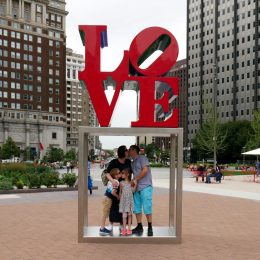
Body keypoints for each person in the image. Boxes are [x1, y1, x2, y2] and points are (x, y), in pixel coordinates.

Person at [105, 145, 132, 231]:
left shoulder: (128, 161)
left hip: (125, 188)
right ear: (123, 152)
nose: (128, 151)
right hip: (115, 187)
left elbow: (132, 173)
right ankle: (111, 224)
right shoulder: (113, 162)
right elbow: (107, 173)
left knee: (124, 206)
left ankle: (122, 224)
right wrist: (112, 180)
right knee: (113, 205)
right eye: (126, 150)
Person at [129, 144, 153, 237]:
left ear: (134, 150)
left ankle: (150, 227)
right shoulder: (132, 162)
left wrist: (136, 179)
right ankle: (139, 226)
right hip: (136, 188)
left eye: (130, 149)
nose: (129, 151)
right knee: (137, 208)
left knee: (147, 207)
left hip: (145, 186)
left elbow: (145, 170)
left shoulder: (142, 158)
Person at [99, 168, 120, 236]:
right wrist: (118, 196)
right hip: (108, 199)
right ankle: (102, 229)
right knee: (105, 214)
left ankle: (102, 228)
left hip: (105, 198)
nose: (120, 174)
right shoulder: (116, 182)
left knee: (105, 213)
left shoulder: (110, 181)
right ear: (115, 175)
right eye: (118, 173)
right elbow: (113, 192)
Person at [119, 168, 135, 236]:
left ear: (127, 174)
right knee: (124, 215)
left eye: (123, 173)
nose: (121, 174)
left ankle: (129, 229)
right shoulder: (121, 183)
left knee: (129, 214)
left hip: (130, 200)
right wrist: (120, 200)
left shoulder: (131, 182)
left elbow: (133, 191)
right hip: (124, 201)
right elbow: (120, 192)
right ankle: (124, 229)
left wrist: (135, 184)